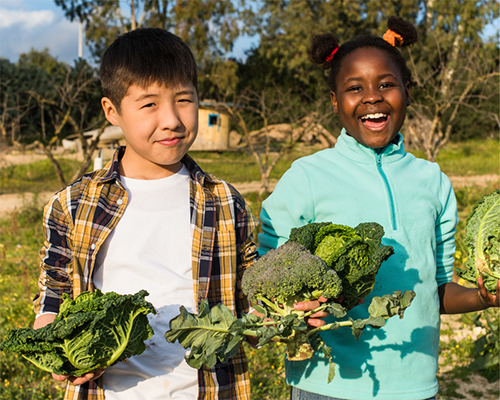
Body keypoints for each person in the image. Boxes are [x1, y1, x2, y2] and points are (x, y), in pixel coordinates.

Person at [258, 16, 499, 400]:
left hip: (414, 386)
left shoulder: (433, 181)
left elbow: (436, 289)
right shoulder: (307, 176)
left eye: (386, 84)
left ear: (408, 90)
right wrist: (295, 311)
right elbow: (267, 269)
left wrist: (483, 297)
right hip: (325, 385)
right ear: (336, 102)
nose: (372, 97)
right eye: (355, 88)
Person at [32, 28, 259, 400]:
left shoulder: (225, 202)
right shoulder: (73, 204)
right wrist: (56, 341)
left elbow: (250, 297)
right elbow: (54, 291)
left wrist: (282, 309)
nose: (171, 119)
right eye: (149, 104)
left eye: (184, 99)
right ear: (112, 111)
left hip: (211, 390)